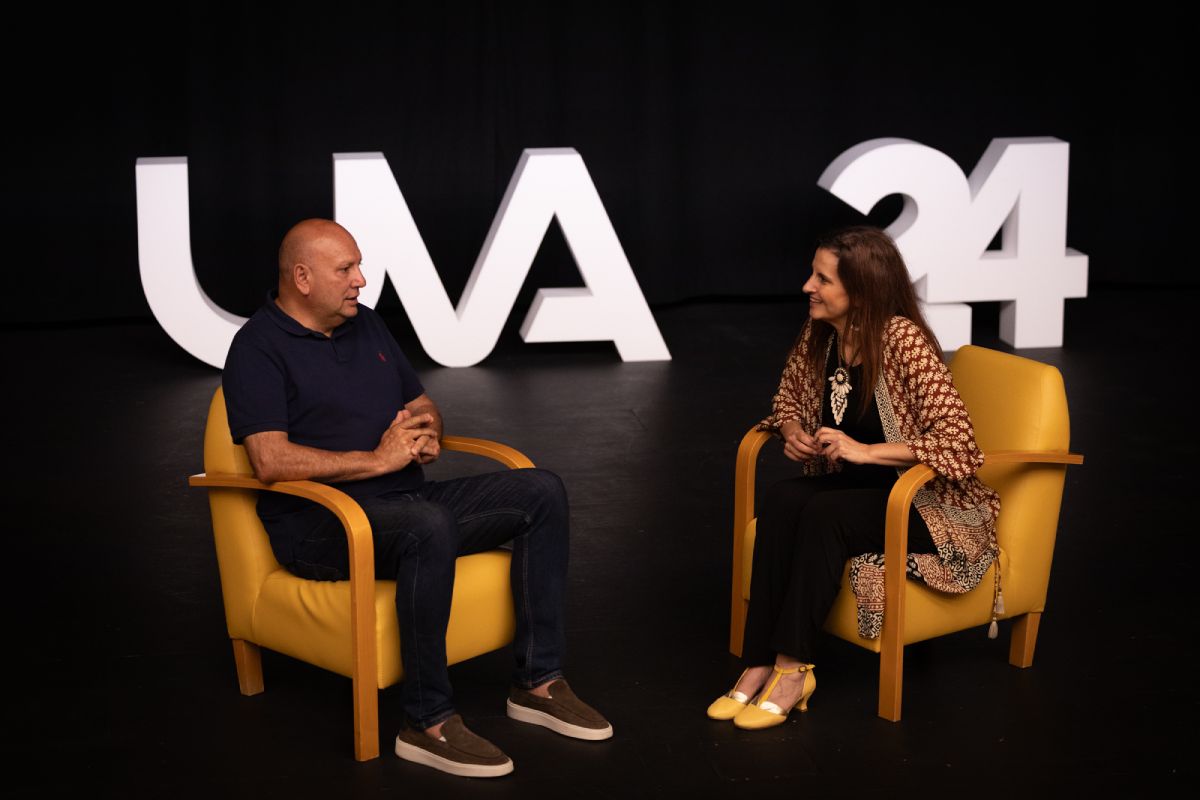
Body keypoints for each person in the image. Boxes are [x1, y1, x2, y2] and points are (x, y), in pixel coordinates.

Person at [222, 218, 611, 778]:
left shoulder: (367, 326)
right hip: (322, 526)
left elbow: (423, 403)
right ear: (302, 277)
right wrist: (377, 461)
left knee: (541, 491)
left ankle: (538, 683)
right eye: (346, 269)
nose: (361, 279)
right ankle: (426, 721)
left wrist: (426, 429)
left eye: (359, 265)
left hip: (406, 502)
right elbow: (269, 459)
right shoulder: (257, 347)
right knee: (426, 525)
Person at [707, 226, 1000, 730]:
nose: (807, 286)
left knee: (824, 511)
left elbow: (960, 444)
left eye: (822, 279)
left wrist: (866, 451)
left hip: (927, 505)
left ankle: (793, 669)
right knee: (781, 498)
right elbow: (787, 401)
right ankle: (757, 662)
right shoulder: (821, 333)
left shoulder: (903, 341)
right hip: (866, 492)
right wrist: (793, 430)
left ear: (861, 291)